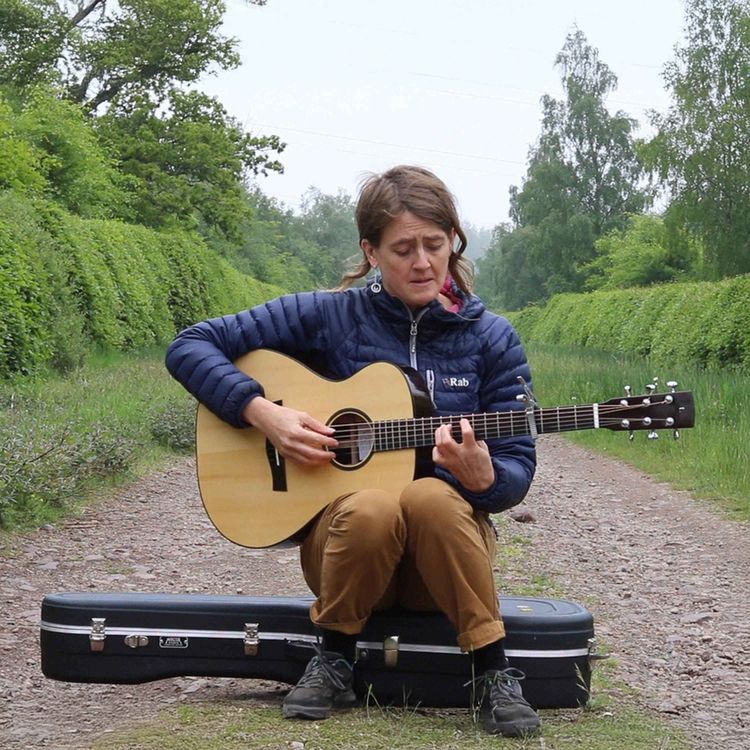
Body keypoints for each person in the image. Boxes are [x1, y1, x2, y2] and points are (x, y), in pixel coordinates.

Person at [165, 165, 540, 738]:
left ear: (453, 243)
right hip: (348, 560)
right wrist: (264, 414)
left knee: (431, 497)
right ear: (370, 251)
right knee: (372, 504)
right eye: (403, 249)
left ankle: (491, 669)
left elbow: (516, 471)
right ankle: (334, 656)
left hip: (445, 568)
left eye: (435, 245)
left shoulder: (492, 338)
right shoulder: (328, 315)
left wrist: (487, 478)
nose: (422, 263)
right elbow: (191, 345)